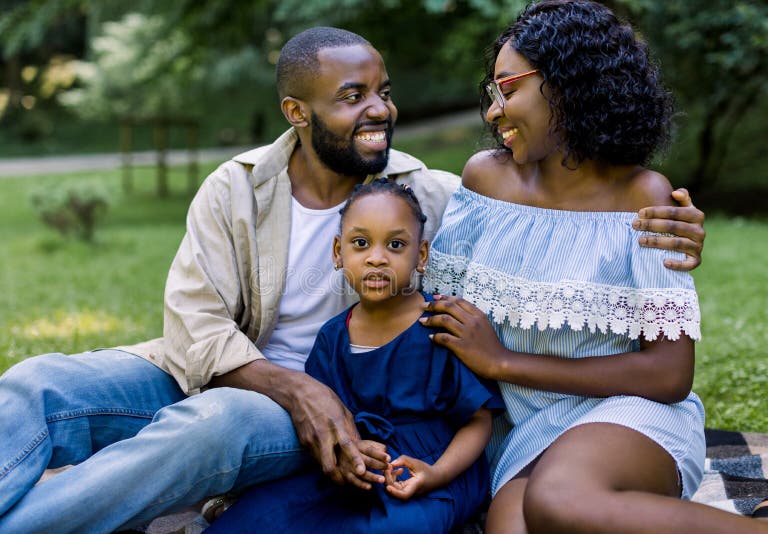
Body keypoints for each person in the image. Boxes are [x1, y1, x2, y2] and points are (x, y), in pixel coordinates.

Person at [0, 26, 707, 533]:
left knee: (209, 427)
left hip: (318, 407)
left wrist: (675, 226)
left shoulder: (425, 193)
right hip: (226, 373)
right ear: (297, 114)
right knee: (37, 383)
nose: (380, 111)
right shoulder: (237, 188)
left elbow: (556, 215)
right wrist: (292, 385)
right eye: (352, 97)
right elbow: (195, 331)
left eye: (383, 92)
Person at [420, 2, 768, 533]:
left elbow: (668, 375)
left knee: (560, 500)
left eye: (509, 89)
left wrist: (504, 362)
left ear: (568, 86)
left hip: (630, 413)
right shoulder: (484, 181)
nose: (492, 111)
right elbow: (440, 318)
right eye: (493, 92)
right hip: (525, 428)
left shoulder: (641, 196)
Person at [206, 178, 504, 533]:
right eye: (360, 243)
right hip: (357, 469)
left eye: (395, 244)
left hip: (431, 471)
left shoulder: (441, 326)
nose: (377, 258)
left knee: (396, 527)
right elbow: (326, 422)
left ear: (421, 255)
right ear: (338, 252)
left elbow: (478, 422)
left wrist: (436, 474)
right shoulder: (332, 338)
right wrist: (349, 454)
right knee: (265, 513)